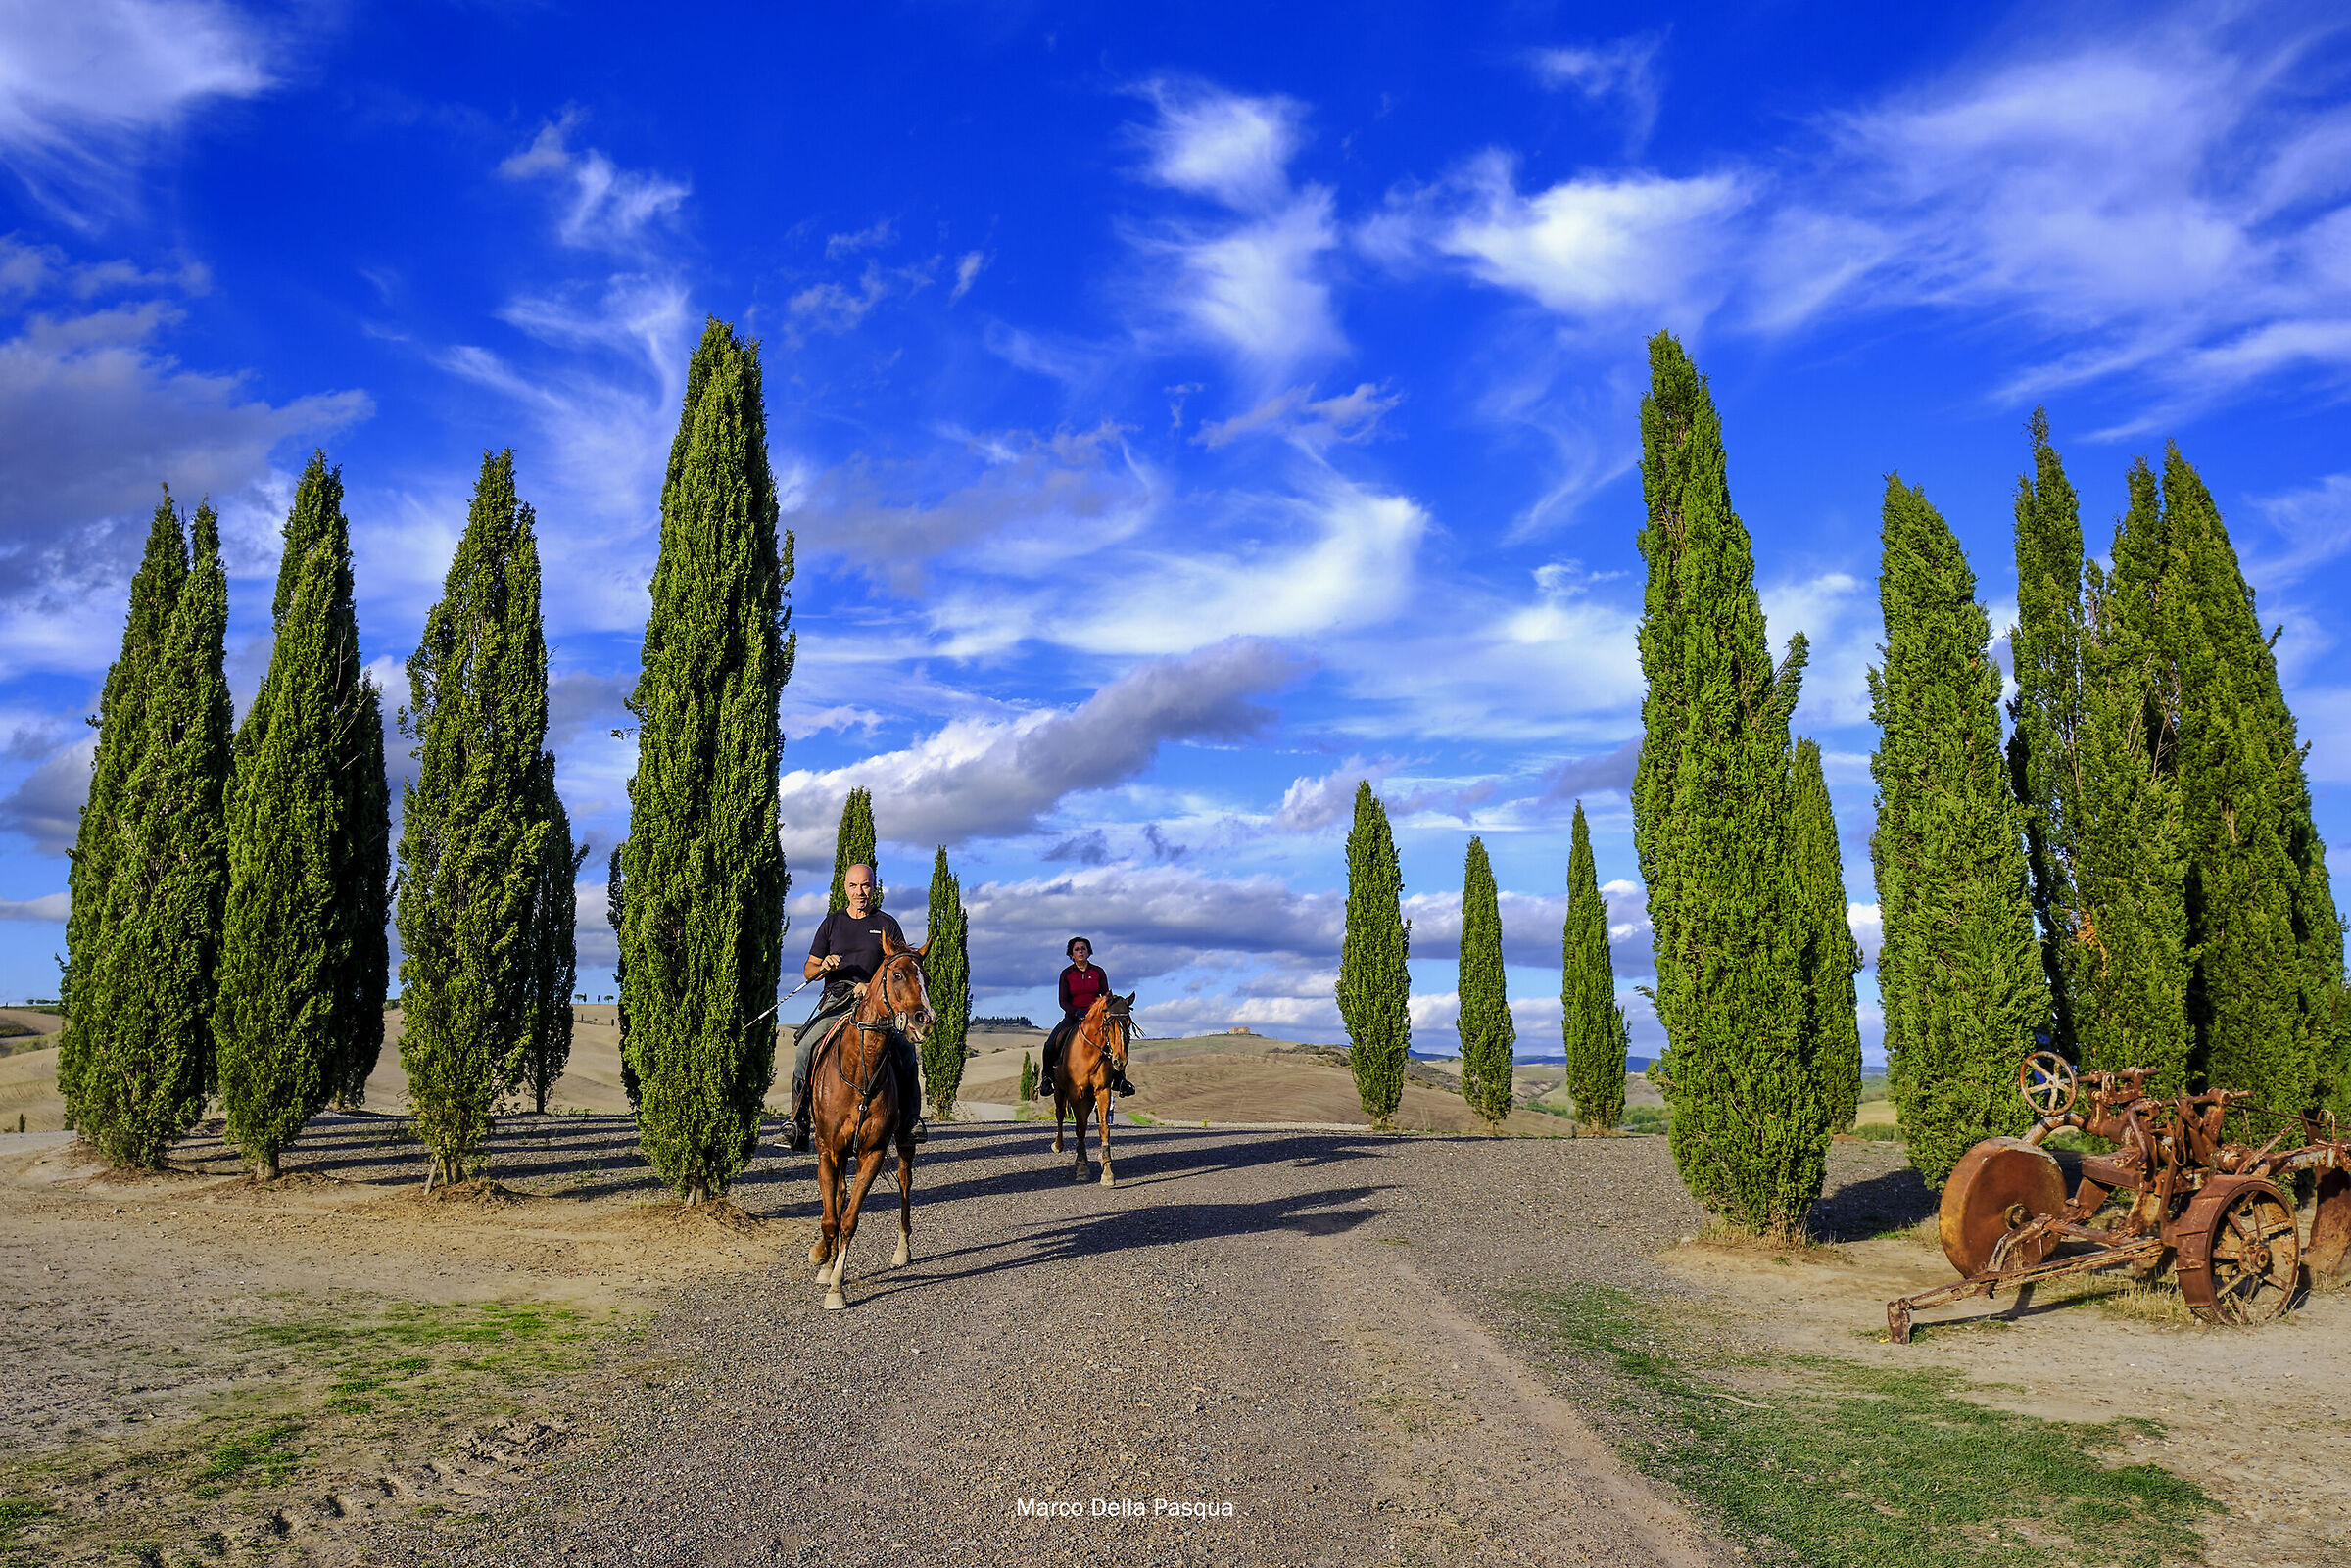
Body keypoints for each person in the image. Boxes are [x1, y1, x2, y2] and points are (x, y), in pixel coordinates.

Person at [786, 864, 924, 1154]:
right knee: (805, 1046)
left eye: (865, 886)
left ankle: (911, 1120)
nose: (859, 892)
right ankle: (797, 1123)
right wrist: (823, 966)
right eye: (854, 886)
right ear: (845, 888)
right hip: (837, 1001)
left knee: (905, 1050)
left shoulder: (887, 923)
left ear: (874, 887)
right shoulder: (832, 923)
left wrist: (871, 989)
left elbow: (899, 968)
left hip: (877, 1006)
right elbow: (808, 969)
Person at [1038, 936, 1135, 1100]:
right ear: (1071, 954)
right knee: (1050, 1044)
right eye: (1077, 949)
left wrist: (1117, 1005)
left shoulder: (1098, 972)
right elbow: (1063, 1001)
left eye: (1083, 948)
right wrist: (1076, 1012)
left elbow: (1107, 997)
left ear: (1089, 952)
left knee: (1117, 1040)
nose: (1080, 951)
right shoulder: (1066, 974)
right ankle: (1047, 1078)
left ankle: (1120, 1080)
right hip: (1073, 1017)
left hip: (1096, 1019)